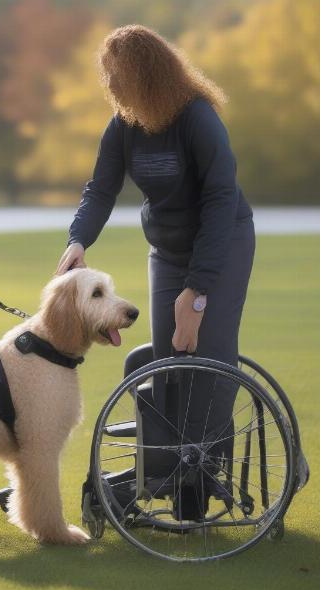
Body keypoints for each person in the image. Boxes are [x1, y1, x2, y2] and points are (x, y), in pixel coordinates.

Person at [56, 25, 255, 450]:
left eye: (118, 75)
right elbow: (101, 189)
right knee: (169, 359)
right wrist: (78, 241)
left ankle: (205, 470)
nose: (110, 85)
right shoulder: (124, 125)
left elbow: (221, 201)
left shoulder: (198, 119)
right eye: (107, 75)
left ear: (147, 74)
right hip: (166, 251)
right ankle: (169, 472)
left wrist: (198, 291)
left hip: (222, 244)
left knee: (206, 357)